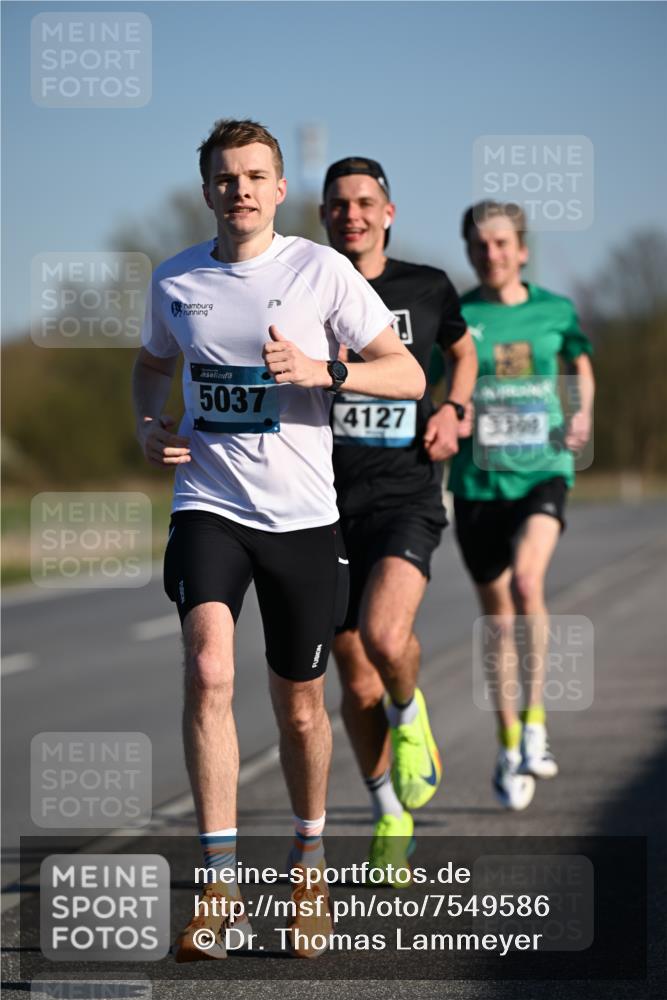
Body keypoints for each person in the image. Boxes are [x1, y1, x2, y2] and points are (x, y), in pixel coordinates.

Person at [132, 121, 425, 960]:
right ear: (207, 191)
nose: (242, 192)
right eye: (226, 179)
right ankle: (218, 891)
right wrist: (149, 428)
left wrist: (324, 371)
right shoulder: (175, 279)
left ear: (278, 185)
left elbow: (405, 373)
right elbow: (153, 367)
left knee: (299, 708)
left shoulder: (319, 270)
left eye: (256, 176)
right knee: (208, 668)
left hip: (301, 516)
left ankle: (307, 866)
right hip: (208, 504)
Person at [320, 158, 477, 880]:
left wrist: (454, 408)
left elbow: (462, 350)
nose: (350, 214)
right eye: (338, 204)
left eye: (363, 203)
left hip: (403, 493)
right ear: (322, 215)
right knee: (353, 684)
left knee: (386, 635)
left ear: (387, 212)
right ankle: (388, 811)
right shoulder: (303, 285)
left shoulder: (425, 285)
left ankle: (410, 717)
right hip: (320, 503)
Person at [449, 200, 594, 810]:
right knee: (499, 620)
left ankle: (535, 723)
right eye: (481, 246)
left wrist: (582, 411)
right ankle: (508, 742)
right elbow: (437, 385)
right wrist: (456, 410)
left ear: (522, 249)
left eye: (503, 244)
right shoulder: (457, 315)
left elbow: (581, 365)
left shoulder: (554, 310)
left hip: (543, 470)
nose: (492, 254)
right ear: (470, 252)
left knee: (530, 584)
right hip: (479, 484)